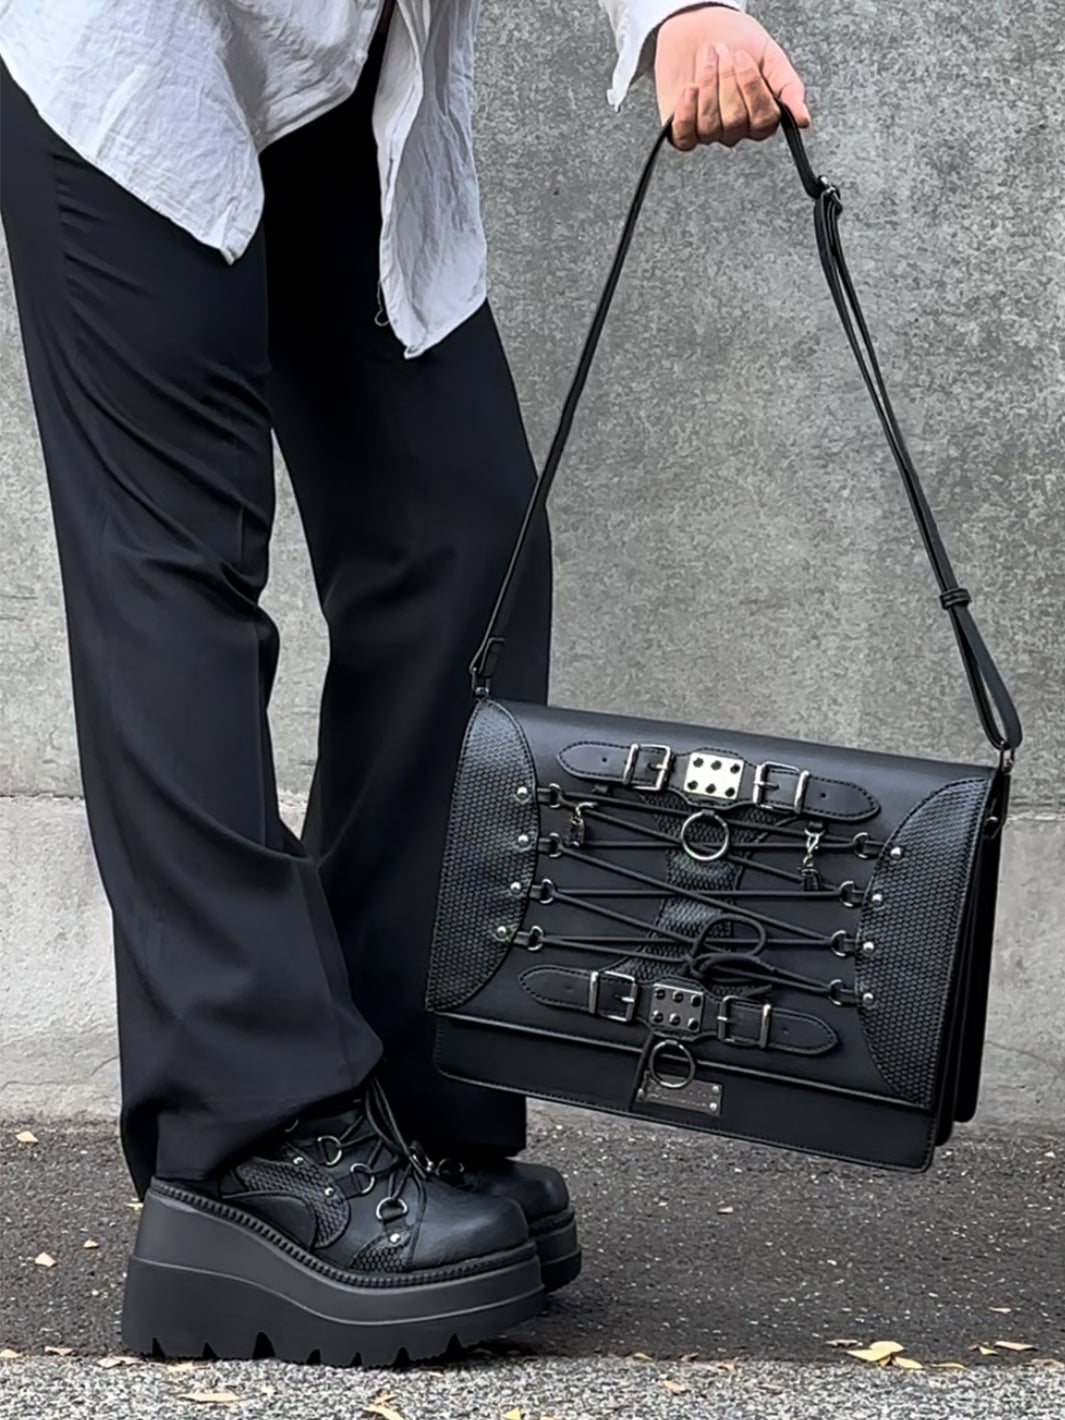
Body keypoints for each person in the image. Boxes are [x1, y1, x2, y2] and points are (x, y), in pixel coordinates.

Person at [0, 0, 809, 1367]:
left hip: (342, 59)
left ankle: (402, 1094)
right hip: (130, 53)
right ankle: (248, 1144)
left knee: (462, 541)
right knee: (174, 574)